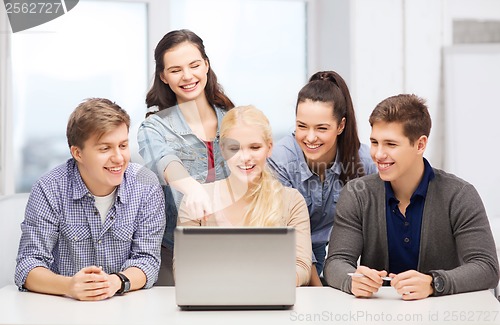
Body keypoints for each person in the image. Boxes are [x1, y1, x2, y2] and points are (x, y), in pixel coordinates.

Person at [324, 94, 499, 300]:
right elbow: (335, 262)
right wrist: (351, 280)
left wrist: (435, 283)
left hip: (444, 314)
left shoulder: (459, 195)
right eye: (374, 142)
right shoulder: (356, 193)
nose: (378, 154)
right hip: (376, 314)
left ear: (420, 145)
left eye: (391, 144)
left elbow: (487, 267)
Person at [14, 98, 166, 301]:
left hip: (126, 307)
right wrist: (69, 286)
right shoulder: (49, 188)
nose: (119, 158)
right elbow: (28, 265)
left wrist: (115, 282)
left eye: (123, 145)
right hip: (61, 307)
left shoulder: (146, 184)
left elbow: (147, 260)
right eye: (105, 149)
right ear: (78, 153)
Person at [137, 29, 235, 285]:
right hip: (177, 252)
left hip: (235, 245)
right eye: (176, 70)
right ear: (163, 76)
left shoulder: (233, 118)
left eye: (194, 65)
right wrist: (193, 190)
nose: (187, 76)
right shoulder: (154, 128)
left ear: (206, 65)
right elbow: (166, 163)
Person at [178, 106, 312, 286]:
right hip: (213, 306)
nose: (245, 157)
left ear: (269, 148)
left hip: (271, 302)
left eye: (255, 147)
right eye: (235, 148)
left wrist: (264, 282)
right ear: (223, 149)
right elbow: (183, 270)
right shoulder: (196, 200)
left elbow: (302, 267)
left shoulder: (292, 202)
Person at [268, 71, 376, 285]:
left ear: (341, 126)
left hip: (345, 261)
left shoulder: (365, 162)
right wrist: (320, 290)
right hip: (293, 262)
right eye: (301, 126)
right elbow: (287, 236)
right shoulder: (280, 160)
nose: (310, 137)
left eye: (321, 128)